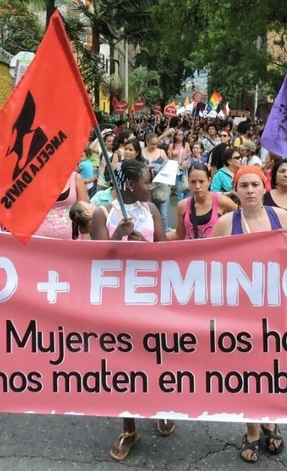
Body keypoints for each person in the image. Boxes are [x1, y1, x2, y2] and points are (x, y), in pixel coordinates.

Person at [89, 159, 172, 461]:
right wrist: (119, 238)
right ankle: (129, 429)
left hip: (151, 296)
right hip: (118, 301)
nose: (151, 187)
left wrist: (144, 245)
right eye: (147, 182)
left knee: (156, 356)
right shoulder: (102, 213)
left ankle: (162, 408)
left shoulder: (151, 211)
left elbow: (164, 250)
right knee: (124, 363)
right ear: (130, 185)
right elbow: (97, 260)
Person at [212, 166, 287, 462]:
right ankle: (252, 431)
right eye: (243, 185)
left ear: (264, 187)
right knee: (246, 371)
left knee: (272, 369)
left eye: (254, 184)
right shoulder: (225, 223)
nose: (249, 190)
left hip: (275, 308)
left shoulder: (280, 217)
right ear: (235, 190)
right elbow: (206, 264)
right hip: (240, 312)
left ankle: (269, 421)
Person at [170, 163, 237, 240]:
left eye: (201, 181)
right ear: (188, 182)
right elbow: (179, 235)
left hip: (216, 247)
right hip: (192, 248)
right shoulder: (182, 206)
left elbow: (243, 219)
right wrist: (158, 235)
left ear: (209, 181)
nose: (197, 186)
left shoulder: (221, 201)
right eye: (193, 182)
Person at [33, 171, 88, 239]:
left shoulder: (75, 178)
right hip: (39, 238)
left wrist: (85, 240)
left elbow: (83, 214)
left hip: (71, 239)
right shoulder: (34, 178)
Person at [141, 132, 171, 229]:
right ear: (147, 142)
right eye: (152, 144)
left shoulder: (162, 152)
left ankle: (165, 231)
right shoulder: (141, 152)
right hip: (147, 186)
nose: (154, 146)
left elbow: (168, 167)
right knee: (148, 212)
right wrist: (146, 168)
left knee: (163, 213)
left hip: (161, 185)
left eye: (156, 144)